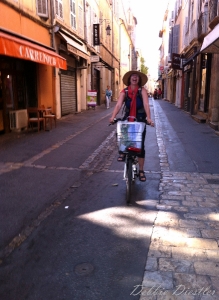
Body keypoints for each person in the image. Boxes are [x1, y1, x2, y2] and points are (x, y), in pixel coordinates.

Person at [109, 71, 154, 182]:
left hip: (140, 117)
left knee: (140, 145)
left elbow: (146, 104)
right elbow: (119, 104)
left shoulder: (142, 90)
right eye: (133, 76)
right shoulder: (124, 91)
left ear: (139, 80)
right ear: (129, 79)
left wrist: (149, 118)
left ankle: (141, 170)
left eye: (137, 77)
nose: (135, 78)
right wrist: (112, 117)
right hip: (128, 117)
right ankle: (123, 152)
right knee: (121, 132)